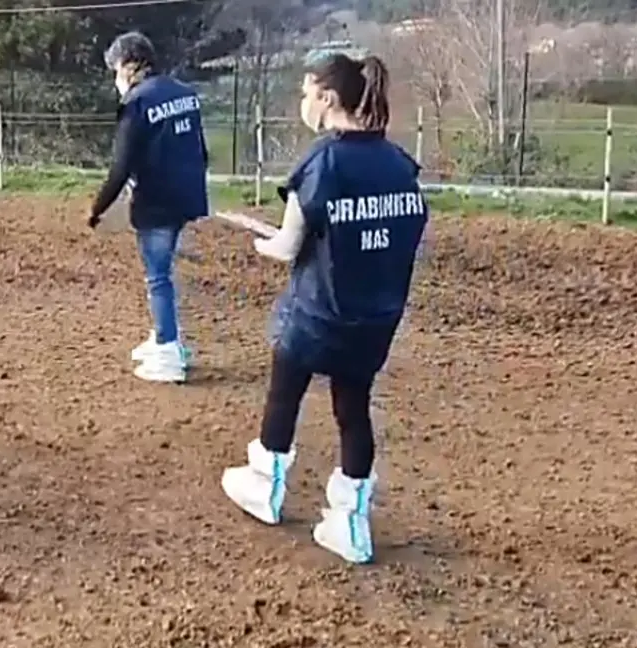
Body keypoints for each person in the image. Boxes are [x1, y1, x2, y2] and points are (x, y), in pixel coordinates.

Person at [219, 52, 428, 564]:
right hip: (376, 317)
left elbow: (290, 245)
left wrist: (264, 244)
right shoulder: (400, 164)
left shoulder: (323, 162)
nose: (303, 102)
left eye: (307, 92)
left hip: (318, 314)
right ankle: (350, 523)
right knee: (353, 411)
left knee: (283, 394)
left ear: (328, 98)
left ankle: (264, 486)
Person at [88, 31, 210, 384]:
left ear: (129, 65)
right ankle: (163, 337)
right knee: (163, 272)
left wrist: (98, 208)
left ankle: (169, 351)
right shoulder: (186, 94)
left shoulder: (137, 103)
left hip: (156, 202)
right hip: (186, 195)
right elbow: (200, 151)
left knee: (157, 277)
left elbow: (120, 166)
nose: (116, 79)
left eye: (116, 70)